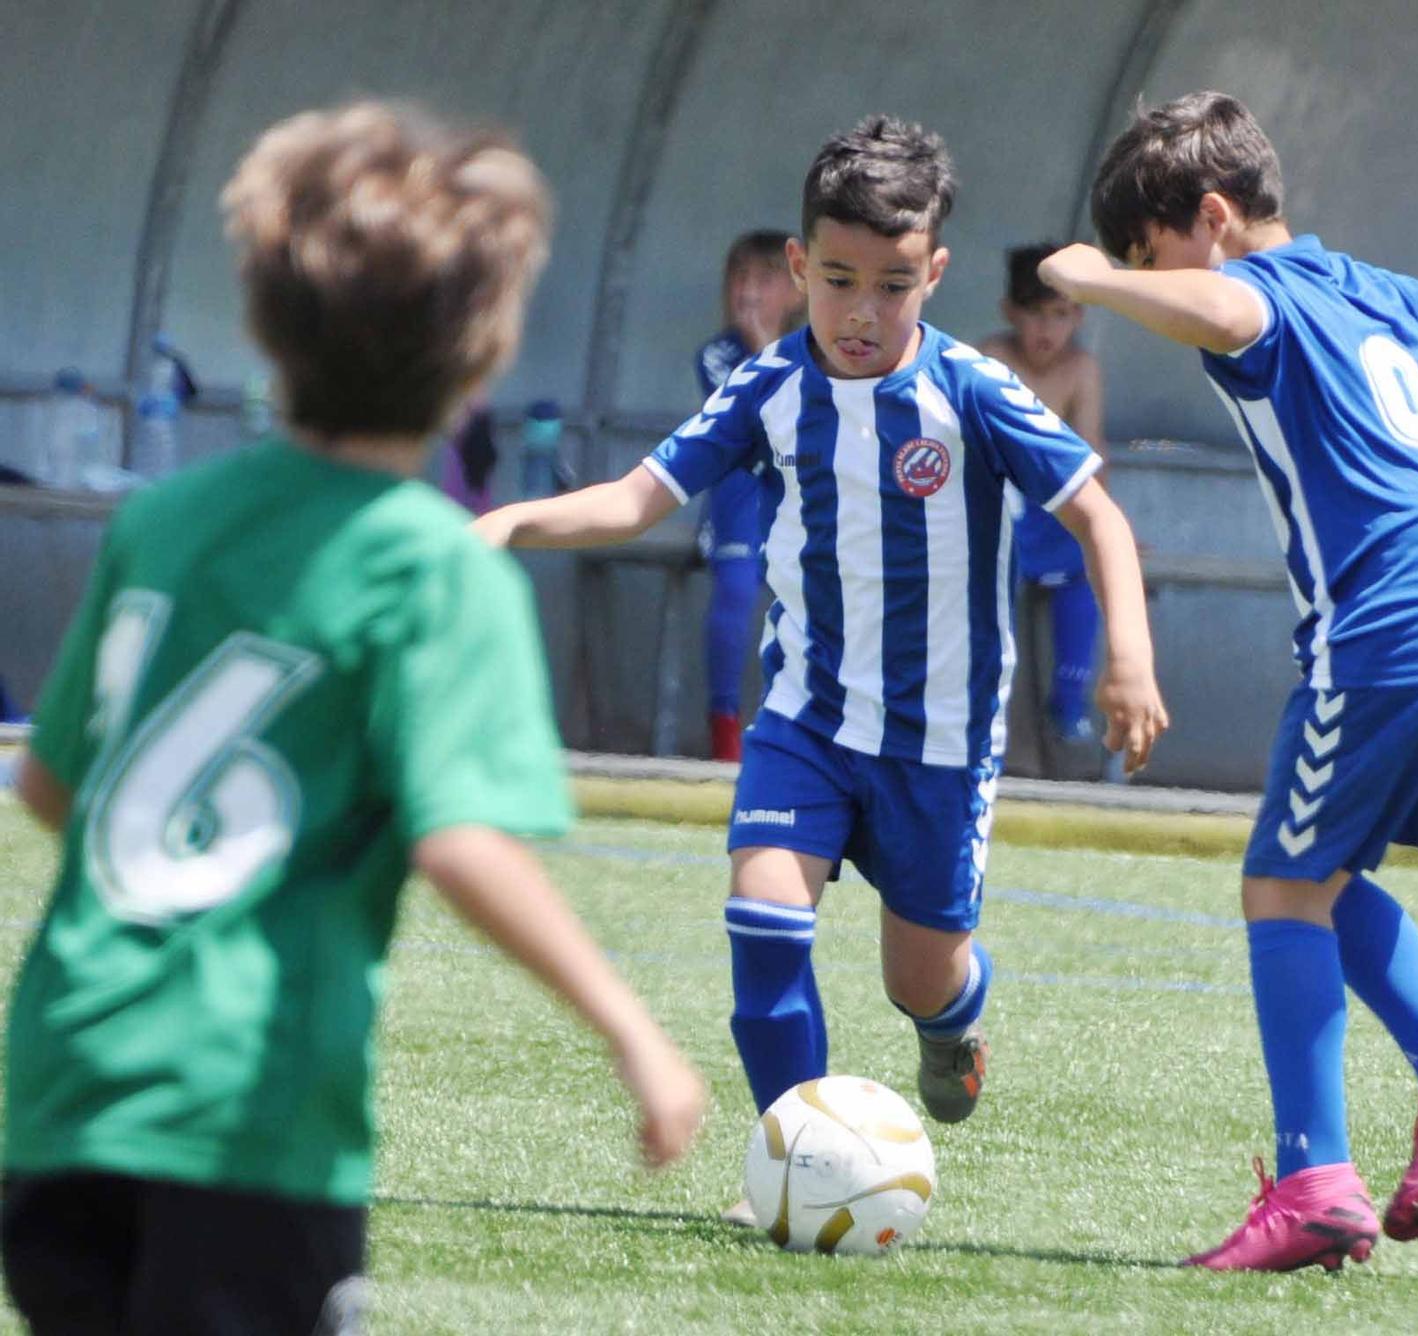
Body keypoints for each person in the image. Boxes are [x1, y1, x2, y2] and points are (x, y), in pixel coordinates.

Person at [1, 102, 707, 1333]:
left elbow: (52, 788)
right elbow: (462, 840)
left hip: (63, 1089)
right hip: (248, 1116)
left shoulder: (161, 520)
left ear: (264, 325)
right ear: (484, 353)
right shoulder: (437, 571)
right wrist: (631, 1028)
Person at [472, 115, 1168, 1217]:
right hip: (804, 717)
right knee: (761, 914)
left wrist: (1125, 652)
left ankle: (953, 1026)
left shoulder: (974, 393)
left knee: (919, 978)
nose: (861, 310)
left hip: (938, 739)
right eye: (837, 279)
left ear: (932, 276)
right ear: (799, 268)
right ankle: (799, 1156)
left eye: (892, 285)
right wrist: (509, 523)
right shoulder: (767, 388)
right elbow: (635, 497)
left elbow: (1098, 516)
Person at [1042, 91, 1418, 1272]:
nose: (1146, 285)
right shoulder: (1376, 289)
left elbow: (1220, 301)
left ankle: (1315, 1179)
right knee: (1319, 869)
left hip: (1393, 631)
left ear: (1210, 218)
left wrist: (1087, 278)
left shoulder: (1254, 297)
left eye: (1147, 253)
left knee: (1275, 882)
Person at [978, 244, 1106, 746]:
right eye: (1034, 313)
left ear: (1077, 315)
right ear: (1011, 311)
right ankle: (988, 701)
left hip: (1050, 506)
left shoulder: (1082, 369)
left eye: (1059, 314)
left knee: (1086, 567)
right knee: (989, 578)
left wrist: (1107, 528)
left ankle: (1069, 700)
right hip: (995, 502)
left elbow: (1092, 455)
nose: (1046, 329)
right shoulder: (990, 357)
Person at [694, 231, 807, 761]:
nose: (749, 292)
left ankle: (804, 729)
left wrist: (771, 351)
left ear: (798, 290)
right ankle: (723, 727)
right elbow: (744, 423)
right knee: (737, 590)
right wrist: (762, 352)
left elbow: (808, 423)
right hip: (740, 499)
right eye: (739, 279)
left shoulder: (819, 351)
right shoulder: (717, 354)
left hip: (797, 498)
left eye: (764, 279)